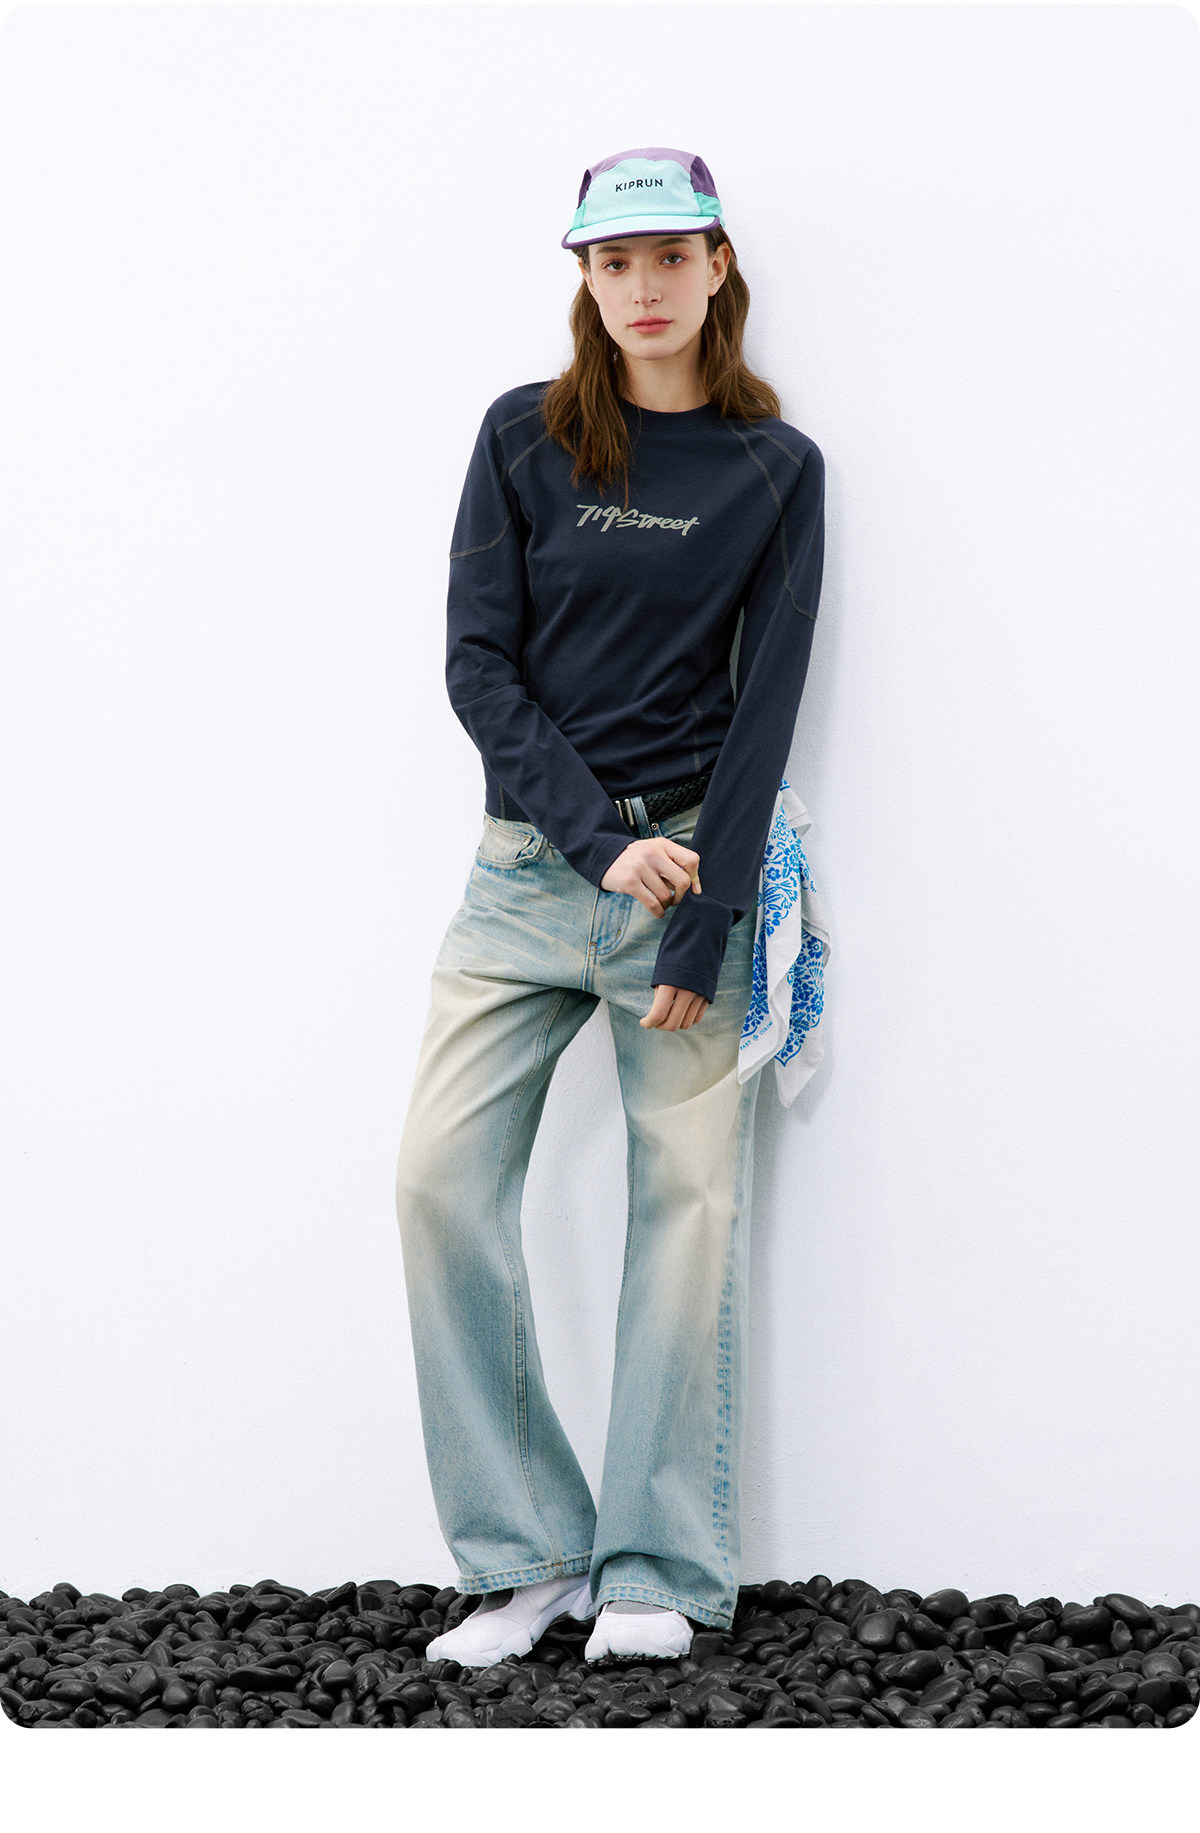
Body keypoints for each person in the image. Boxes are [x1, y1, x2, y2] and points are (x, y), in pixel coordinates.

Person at [394, 146, 826, 1668]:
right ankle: (526, 1558)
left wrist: (704, 918)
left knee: (687, 1216)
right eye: (612, 262)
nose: (641, 287)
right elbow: (479, 666)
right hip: (527, 876)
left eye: (668, 257)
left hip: (691, 881)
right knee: (438, 1185)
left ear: (718, 266)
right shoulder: (522, 437)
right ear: (584, 277)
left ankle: (658, 1566)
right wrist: (590, 841)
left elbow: (765, 711)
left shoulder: (776, 469)